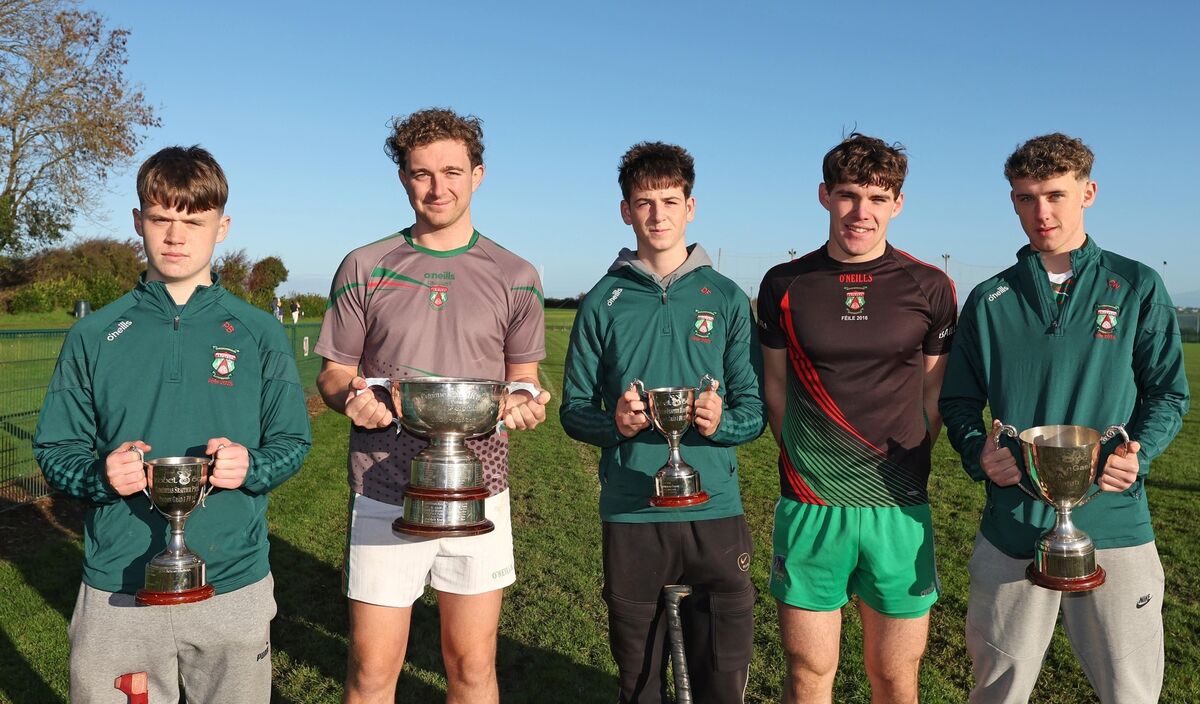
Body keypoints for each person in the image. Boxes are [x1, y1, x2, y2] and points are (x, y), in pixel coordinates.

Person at [33, 145, 312, 703]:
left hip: (234, 581)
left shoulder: (258, 332)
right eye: (161, 218)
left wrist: (251, 465)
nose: (176, 236)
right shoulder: (94, 334)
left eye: (194, 220)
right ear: (139, 222)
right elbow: (56, 446)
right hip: (119, 584)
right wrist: (100, 476)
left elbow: (293, 442)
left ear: (222, 226)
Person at [939, 132, 1189, 704]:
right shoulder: (990, 297)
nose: (1041, 212)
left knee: (1131, 691)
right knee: (998, 690)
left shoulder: (1137, 286)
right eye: (1025, 197)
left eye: (1055, 194)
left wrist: (1138, 453)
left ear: (1088, 193)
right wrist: (979, 450)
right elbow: (956, 402)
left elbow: (1168, 394)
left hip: (1118, 525)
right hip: (1011, 525)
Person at [315, 107, 550, 704]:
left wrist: (526, 402)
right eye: (421, 173)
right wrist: (351, 400)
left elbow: (522, 377)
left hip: (481, 487)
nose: (437, 187)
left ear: (478, 174)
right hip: (382, 482)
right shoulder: (365, 265)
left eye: (451, 171)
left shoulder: (516, 274)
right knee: (371, 671)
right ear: (404, 178)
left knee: (471, 668)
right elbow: (335, 372)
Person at [560, 141, 764, 703]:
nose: (658, 214)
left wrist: (722, 421)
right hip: (631, 508)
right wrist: (616, 426)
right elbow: (574, 409)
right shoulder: (603, 299)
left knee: (722, 677)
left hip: (716, 508)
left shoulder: (724, 297)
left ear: (690, 207)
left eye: (669, 201)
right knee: (640, 678)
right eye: (644, 202)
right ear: (626, 210)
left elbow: (754, 411)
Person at [756, 133, 957, 704]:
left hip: (898, 510)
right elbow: (775, 388)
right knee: (808, 674)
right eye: (847, 194)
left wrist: (900, 470)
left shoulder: (930, 286)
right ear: (825, 196)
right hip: (810, 505)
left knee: (895, 678)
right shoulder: (784, 284)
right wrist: (811, 462)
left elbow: (932, 395)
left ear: (898, 203)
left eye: (877, 196)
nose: (861, 211)